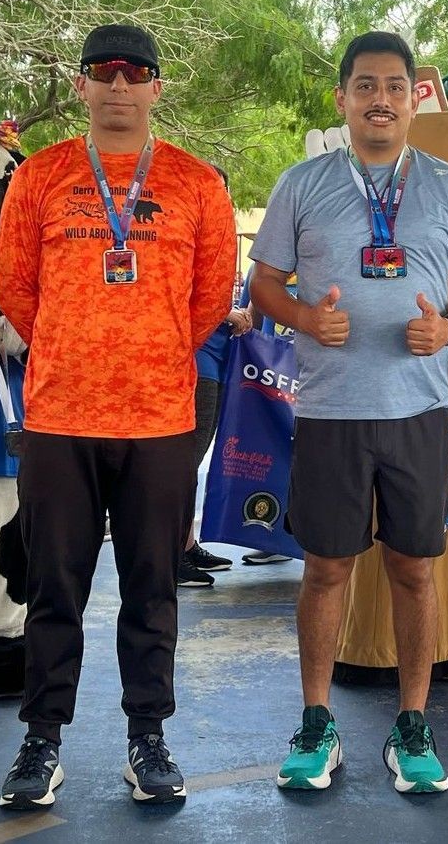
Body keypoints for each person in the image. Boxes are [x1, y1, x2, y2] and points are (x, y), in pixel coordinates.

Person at [0, 23, 237, 810]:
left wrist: (149, 353)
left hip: (160, 419)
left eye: (136, 73)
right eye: (104, 72)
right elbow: (15, 288)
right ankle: (42, 740)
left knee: (152, 585)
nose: (120, 86)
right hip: (60, 418)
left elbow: (209, 297)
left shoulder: (198, 183)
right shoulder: (39, 176)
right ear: (81, 85)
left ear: (158, 87)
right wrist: (72, 351)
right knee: (53, 586)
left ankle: (148, 737)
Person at [250, 31, 448, 795]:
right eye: (364, 85)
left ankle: (412, 722)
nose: (380, 99)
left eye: (394, 85)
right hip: (330, 411)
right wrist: (300, 317)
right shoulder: (303, 183)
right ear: (342, 99)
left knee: (413, 570)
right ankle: (317, 719)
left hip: (418, 410)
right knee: (326, 569)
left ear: (413, 99)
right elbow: (263, 283)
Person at [178, 165, 252, 588]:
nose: (217, 198)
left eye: (222, 191)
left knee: (195, 456)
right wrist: (230, 314)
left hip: (221, 359)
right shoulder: (185, 233)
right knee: (185, 460)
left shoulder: (216, 238)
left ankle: (186, 544)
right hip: (197, 361)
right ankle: (173, 553)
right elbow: (183, 292)